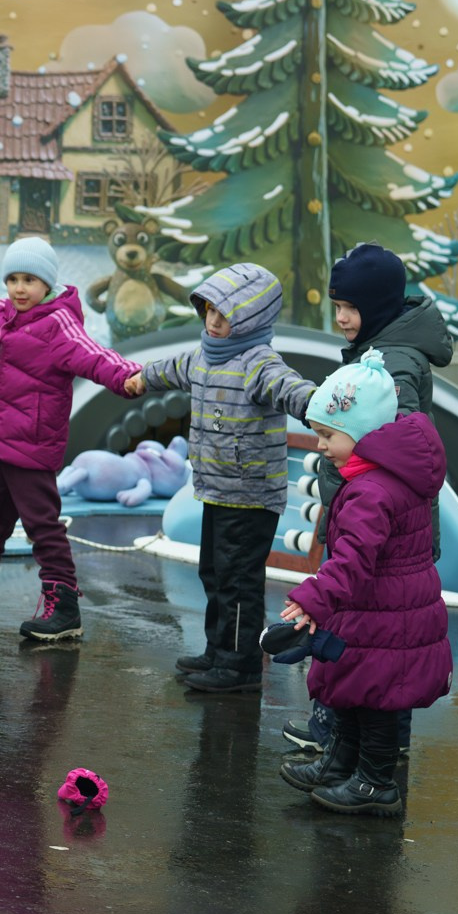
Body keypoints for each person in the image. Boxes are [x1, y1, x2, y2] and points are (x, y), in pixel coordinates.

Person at [0, 238, 140, 643]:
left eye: (30, 280)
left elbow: (95, 355)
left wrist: (127, 376)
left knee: (42, 525)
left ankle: (64, 605)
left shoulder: (58, 324)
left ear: (47, 284)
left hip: (32, 445)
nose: (19, 289)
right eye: (13, 279)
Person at [282, 241, 453, 756]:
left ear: (376, 306)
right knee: (359, 633)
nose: (340, 318)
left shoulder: (394, 361)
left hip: (377, 525)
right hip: (362, 516)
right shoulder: (379, 348)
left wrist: (361, 483)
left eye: (349, 308)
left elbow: (393, 438)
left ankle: (364, 750)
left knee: (379, 645)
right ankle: (341, 735)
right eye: (336, 307)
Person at [124, 263, 317, 694]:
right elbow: (169, 368)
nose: (213, 321)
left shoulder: (258, 363)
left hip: (250, 496)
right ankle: (218, 650)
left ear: (251, 319)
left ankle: (240, 665)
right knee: (214, 572)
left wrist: (320, 406)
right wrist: (140, 378)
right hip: (217, 490)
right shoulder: (203, 356)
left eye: (224, 314)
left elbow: (290, 388)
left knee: (238, 580)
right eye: (209, 310)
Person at [275, 353, 448, 816]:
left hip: (386, 612)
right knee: (353, 688)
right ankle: (340, 764)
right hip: (376, 609)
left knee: (377, 700)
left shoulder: (373, 491)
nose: (320, 444)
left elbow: (352, 559)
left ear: (366, 432)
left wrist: (312, 599)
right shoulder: (378, 477)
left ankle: (375, 783)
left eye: (329, 435)